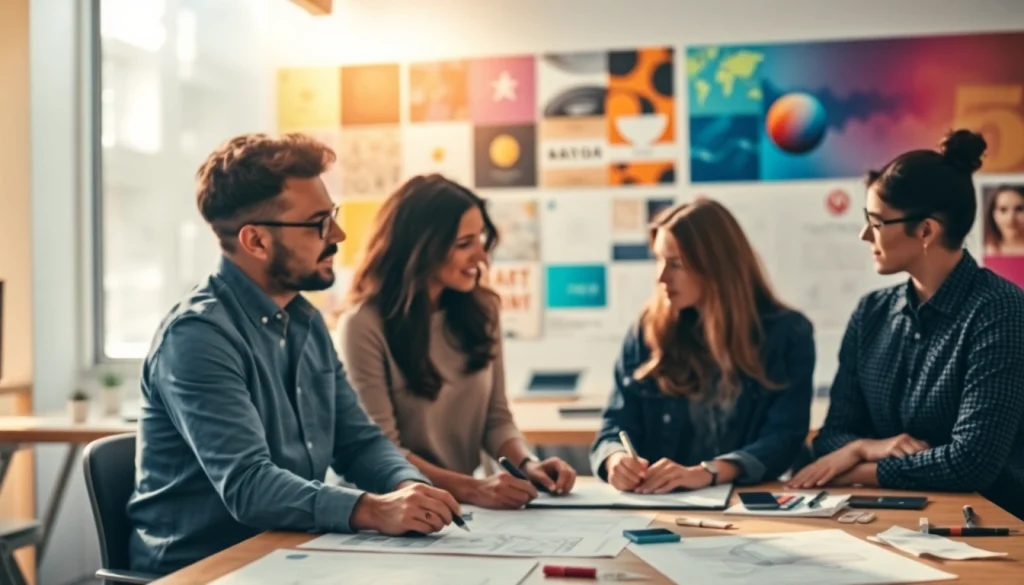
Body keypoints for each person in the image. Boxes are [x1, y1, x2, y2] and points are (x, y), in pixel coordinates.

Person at [127, 134, 462, 575]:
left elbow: (357, 442)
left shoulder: (305, 321)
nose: (338, 235)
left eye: (333, 217)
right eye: (318, 223)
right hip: (204, 571)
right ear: (256, 241)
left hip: (290, 557)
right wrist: (374, 509)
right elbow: (249, 486)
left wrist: (410, 489)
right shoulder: (198, 337)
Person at [790, 130, 1024, 521]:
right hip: (885, 521)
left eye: (877, 222)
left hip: (990, 526)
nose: (865, 235)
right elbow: (833, 436)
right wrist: (865, 446)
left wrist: (860, 465)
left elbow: (972, 462)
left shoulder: (1002, 311)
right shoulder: (871, 313)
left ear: (926, 230)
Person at [335, 174, 577, 510]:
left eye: (480, 238)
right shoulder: (362, 325)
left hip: (461, 505)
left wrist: (527, 465)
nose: (482, 257)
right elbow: (382, 451)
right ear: (420, 249)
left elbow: (496, 418)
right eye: (464, 244)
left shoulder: (484, 309)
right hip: (389, 507)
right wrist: (475, 489)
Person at [591, 199, 815, 493]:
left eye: (676, 264)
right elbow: (614, 425)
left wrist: (707, 472)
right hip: (661, 505)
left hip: (745, 505)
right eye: (658, 260)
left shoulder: (788, 333)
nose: (661, 277)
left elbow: (783, 438)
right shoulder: (648, 329)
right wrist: (614, 460)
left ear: (716, 266)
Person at [984, 184, 1024, 256]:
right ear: (993, 214)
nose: (1011, 218)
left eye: (1019, 209)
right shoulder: (984, 251)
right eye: (1003, 210)